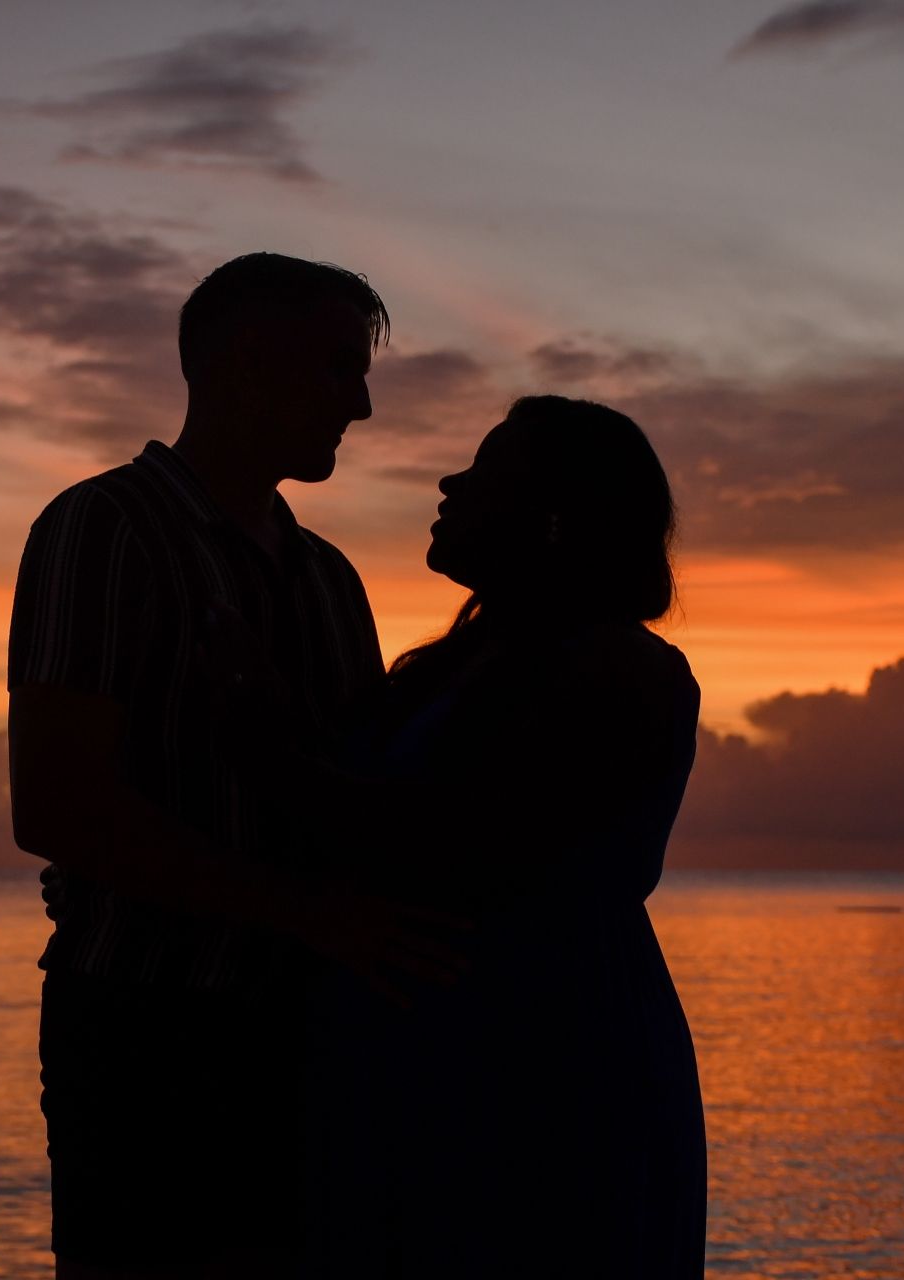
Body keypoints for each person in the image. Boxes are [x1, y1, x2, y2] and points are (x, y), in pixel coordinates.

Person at [9, 252, 440, 1279]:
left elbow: (357, 802)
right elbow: (60, 805)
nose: (364, 405)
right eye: (341, 368)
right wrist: (308, 913)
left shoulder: (326, 577)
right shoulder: (104, 529)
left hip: (309, 1039)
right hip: (151, 1039)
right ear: (248, 361)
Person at [212, 395, 705, 1277]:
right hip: (430, 1059)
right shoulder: (457, 668)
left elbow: (454, 841)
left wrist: (265, 750)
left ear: (551, 515)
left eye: (484, 468)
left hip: (539, 1062)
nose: (449, 481)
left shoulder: (625, 672)